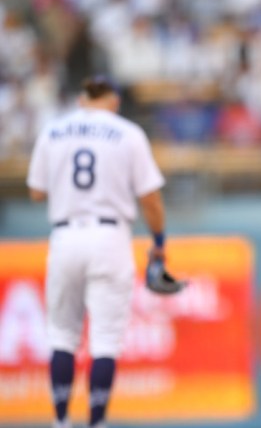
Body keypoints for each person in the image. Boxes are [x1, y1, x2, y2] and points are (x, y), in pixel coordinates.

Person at [26, 76, 168, 428]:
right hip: (110, 237)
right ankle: (96, 422)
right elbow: (149, 198)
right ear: (114, 100)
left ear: (81, 99)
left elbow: (36, 193)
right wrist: (159, 242)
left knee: (61, 335)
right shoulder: (128, 133)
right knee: (104, 339)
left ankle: (61, 421)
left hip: (65, 235)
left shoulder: (53, 131)